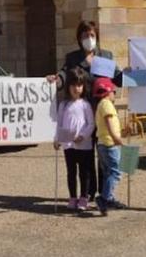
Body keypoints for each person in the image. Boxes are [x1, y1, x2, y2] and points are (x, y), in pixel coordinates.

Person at [55, 69, 95, 212]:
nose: (77, 89)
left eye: (80, 85)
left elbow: (91, 124)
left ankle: (84, 197)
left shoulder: (85, 105)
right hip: (68, 144)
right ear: (68, 87)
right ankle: (72, 197)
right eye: (74, 85)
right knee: (71, 172)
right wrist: (57, 139)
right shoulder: (63, 105)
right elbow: (59, 124)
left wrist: (83, 136)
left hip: (83, 145)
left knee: (83, 172)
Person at [93, 77, 126, 215]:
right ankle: (104, 198)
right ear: (108, 92)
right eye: (113, 91)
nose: (114, 94)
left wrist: (123, 132)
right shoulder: (106, 104)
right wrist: (116, 137)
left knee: (108, 172)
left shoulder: (101, 104)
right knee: (116, 171)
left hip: (103, 143)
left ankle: (109, 199)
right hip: (109, 144)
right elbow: (108, 122)